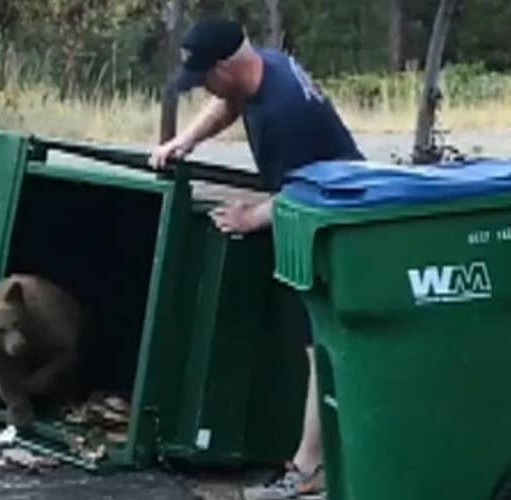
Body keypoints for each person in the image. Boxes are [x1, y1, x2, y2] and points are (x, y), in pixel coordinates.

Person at [149, 18, 365, 500]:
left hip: (337, 221)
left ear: (226, 66)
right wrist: (185, 141)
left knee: (322, 349)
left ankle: (308, 469)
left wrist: (252, 218)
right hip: (315, 206)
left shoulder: (286, 113)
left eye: (204, 75)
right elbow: (228, 104)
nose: (202, 84)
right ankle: (316, 461)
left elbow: (308, 194)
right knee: (317, 346)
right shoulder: (264, 66)